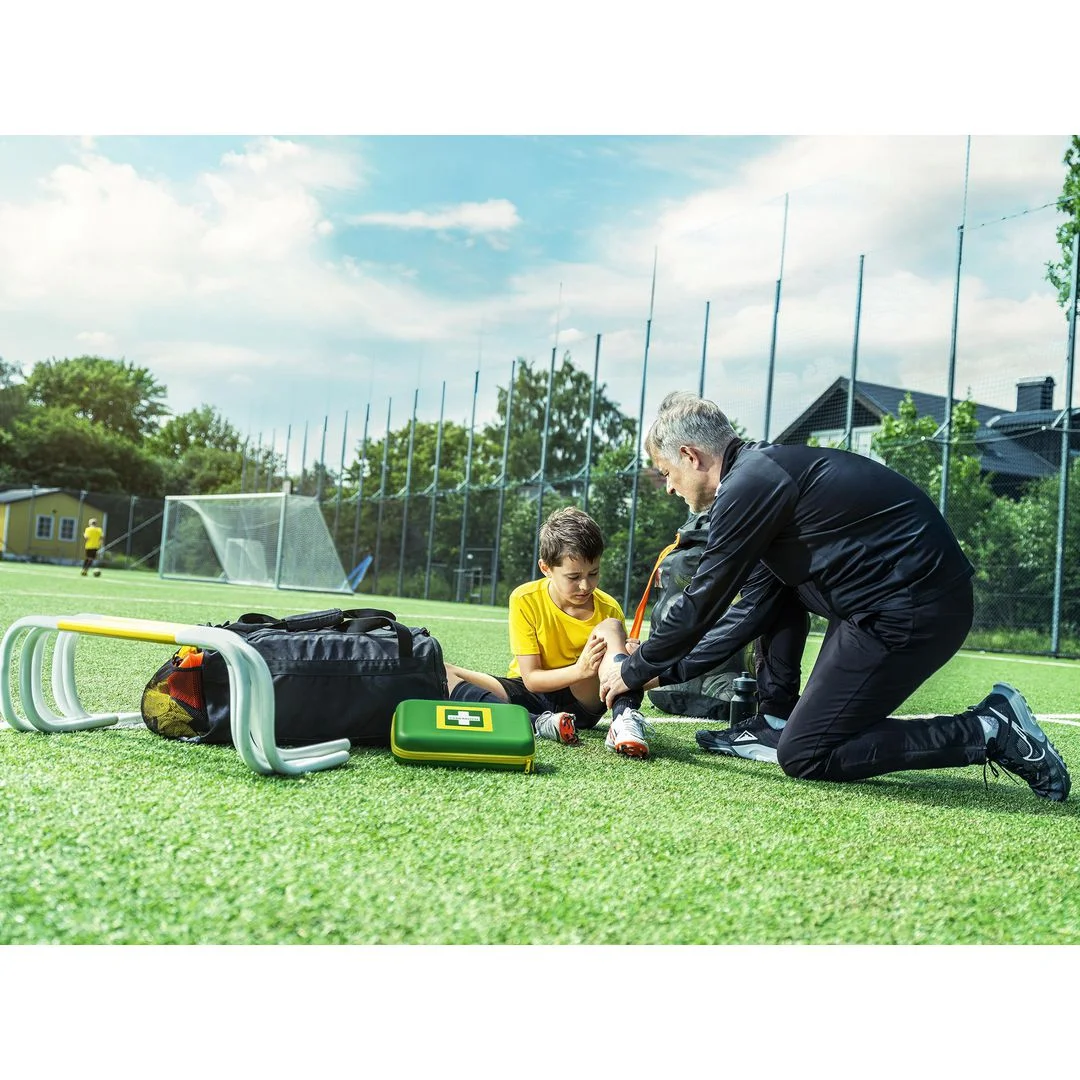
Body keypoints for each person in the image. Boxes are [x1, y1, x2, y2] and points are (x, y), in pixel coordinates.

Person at [599, 390, 1070, 802]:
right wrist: (661, 671)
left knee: (807, 754)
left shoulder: (748, 486)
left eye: (666, 472)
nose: (668, 487)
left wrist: (637, 669)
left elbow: (704, 598)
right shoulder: (760, 477)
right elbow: (754, 609)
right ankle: (774, 720)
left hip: (913, 608)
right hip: (880, 607)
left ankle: (990, 729)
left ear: (690, 455)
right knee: (779, 599)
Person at [446, 506, 654, 758]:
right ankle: (539, 723)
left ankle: (624, 721)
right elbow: (532, 679)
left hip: (581, 699)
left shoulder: (608, 608)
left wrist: (632, 662)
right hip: (531, 692)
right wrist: (580, 669)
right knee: (444, 672)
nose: (585, 585)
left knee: (611, 626)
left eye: (594, 573)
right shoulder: (525, 598)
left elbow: (620, 679)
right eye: (573, 576)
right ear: (546, 568)